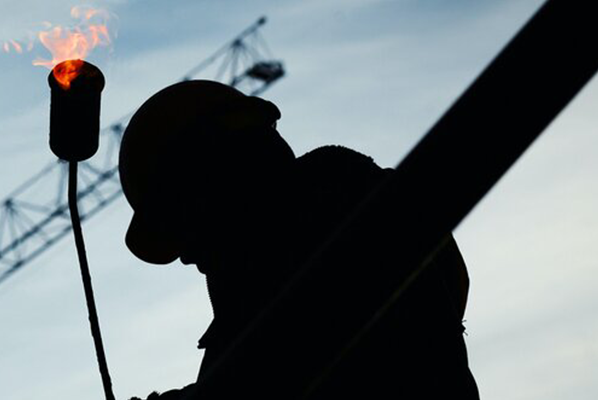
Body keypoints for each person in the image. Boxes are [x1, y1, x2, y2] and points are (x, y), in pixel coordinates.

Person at [120, 80, 479, 399]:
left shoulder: (334, 219)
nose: (186, 255)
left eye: (182, 222)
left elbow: (268, 376)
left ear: (216, 177)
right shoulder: (362, 210)